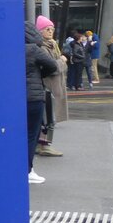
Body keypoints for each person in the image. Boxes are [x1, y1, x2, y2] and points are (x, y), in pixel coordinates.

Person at [26, 20, 59, 184]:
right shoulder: (34, 49)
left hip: (14, 99)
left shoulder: (11, 48)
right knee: (32, 135)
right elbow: (52, 66)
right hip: (33, 98)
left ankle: (16, 167)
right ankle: (27, 170)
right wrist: (40, 74)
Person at [35, 16, 66, 157]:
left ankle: (41, 144)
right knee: (48, 117)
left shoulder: (53, 45)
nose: (50, 31)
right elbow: (53, 67)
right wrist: (62, 61)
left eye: (52, 29)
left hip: (54, 85)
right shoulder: (42, 47)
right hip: (48, 86)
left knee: (48, 117)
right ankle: (44, 145)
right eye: (47, 29)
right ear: (40, 31)